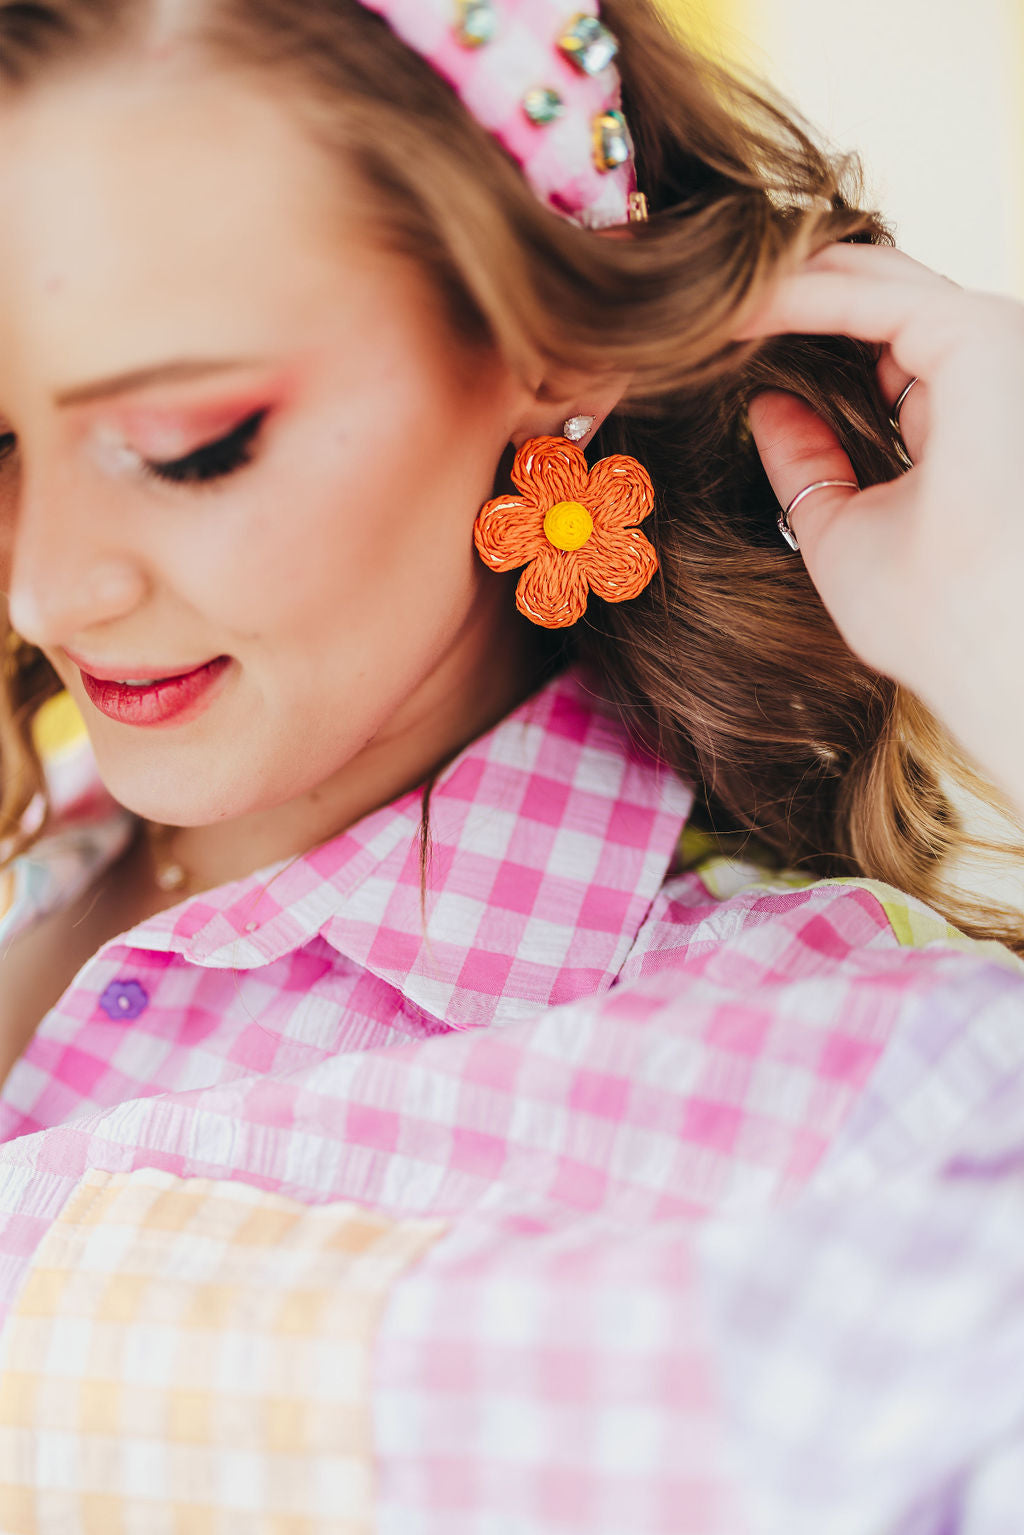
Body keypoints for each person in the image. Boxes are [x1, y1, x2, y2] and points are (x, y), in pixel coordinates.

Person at [0, 0, 1022, 1529]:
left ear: (548, 350)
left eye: (190, 442)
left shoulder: (866, 1094)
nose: (44, 590)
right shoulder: (42, 846)